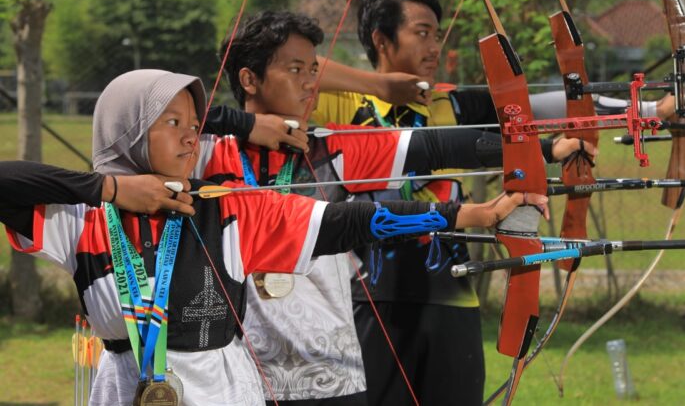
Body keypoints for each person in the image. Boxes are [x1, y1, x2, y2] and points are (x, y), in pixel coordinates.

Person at [0, 69, 535, 406]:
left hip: (225, 387)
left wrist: (471, 213)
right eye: (170, 122)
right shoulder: (83, 217)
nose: (192, 134)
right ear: (128, 134)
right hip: (126, 388)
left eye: (196, 122)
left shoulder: (229, 208)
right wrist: (111, 188)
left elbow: (348, 222)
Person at [313, 0, 685, 406]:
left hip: (451, 294)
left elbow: (551, 106)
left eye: (437, 34)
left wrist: (652, 110)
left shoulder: (449, 102)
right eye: (422, 33)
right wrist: (380, 85)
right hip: (369, 296)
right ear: (381, 38)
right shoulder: (340, 102)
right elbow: (293, 66)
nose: (435, 45)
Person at [201, 10, 587, 405]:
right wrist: (244, 125)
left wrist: (543, 150)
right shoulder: (204, 154)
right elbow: (146, 109)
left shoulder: (331, 147)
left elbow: (435, 146)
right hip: (236, 379)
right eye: (295, 69)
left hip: (330, 379)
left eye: (313, 70)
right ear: (249, 79)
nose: (309, 84)